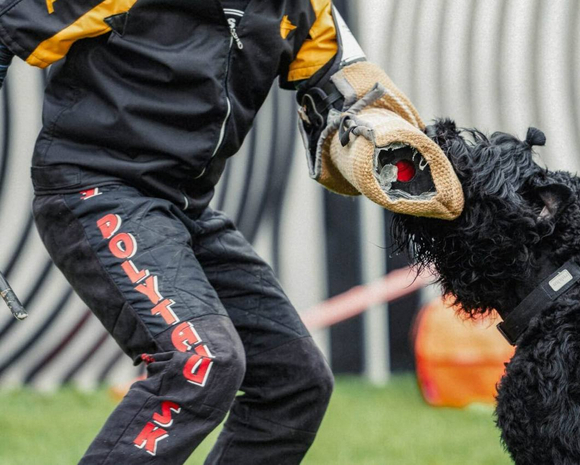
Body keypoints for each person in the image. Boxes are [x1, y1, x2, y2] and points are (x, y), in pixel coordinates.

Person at [0, 0, 458, 463]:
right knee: (201, 362)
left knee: (293, 382)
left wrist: (393, 146)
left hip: (185, 207)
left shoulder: (305, 7)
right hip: (95, 189)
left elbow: (351, 95)